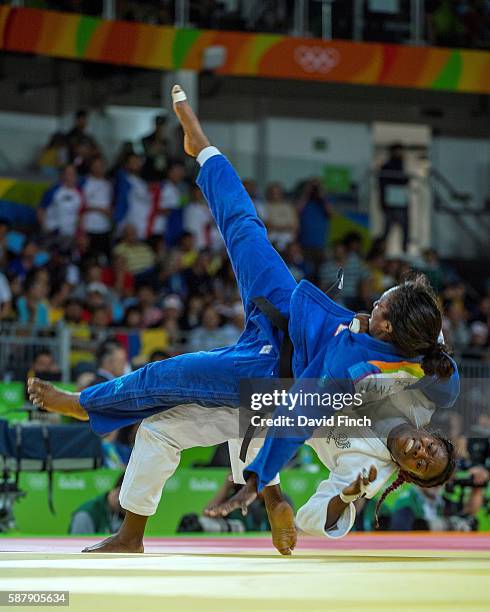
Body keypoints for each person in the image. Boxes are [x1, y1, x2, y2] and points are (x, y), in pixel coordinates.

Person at [28, 85, 459, 553]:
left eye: (420, 467)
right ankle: (205, 151)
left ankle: (89, 414)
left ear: (386, 328)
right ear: (432, 434)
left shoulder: (365, 443)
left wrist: (275, 485)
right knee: (244, 229)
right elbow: (436, 348)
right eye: (431, 450)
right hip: (287, 309)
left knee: (167, 383)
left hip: (271, 372)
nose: (419, 454)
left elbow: (297, 416)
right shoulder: (427, 371)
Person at [378, 143, 410, 252]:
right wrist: (382, 201)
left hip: (400, 201)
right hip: (391, 201)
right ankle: (380, 251)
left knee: (405, 228)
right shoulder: (387, 166)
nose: (400, 154)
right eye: (398, 151)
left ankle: (404, 250)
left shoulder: (402, 165)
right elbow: (383, 185)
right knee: (388, 229)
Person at [80, 156, 113, 257]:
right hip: (89, 226)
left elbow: (110, 205)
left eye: (101, 165)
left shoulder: (108, 185)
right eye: (96, 165)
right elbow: (80, 205)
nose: (99, 168)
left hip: (104, 227)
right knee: (88, 257)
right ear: (91, 167)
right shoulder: (84, 182)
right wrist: (98, 209)